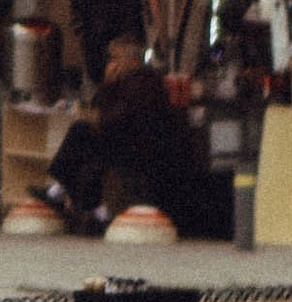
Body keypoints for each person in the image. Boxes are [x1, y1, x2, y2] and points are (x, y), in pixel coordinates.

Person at [42, 33, 206, 234]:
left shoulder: (143, 83)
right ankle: (80, 201)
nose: (111, 64)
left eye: (115, 58)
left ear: (132, 60)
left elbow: (115, 121)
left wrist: (108, 87)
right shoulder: (134, 81)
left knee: (82, 133)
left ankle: (64, 194)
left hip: (144, 151)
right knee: (88, 144)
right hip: (131, 144)